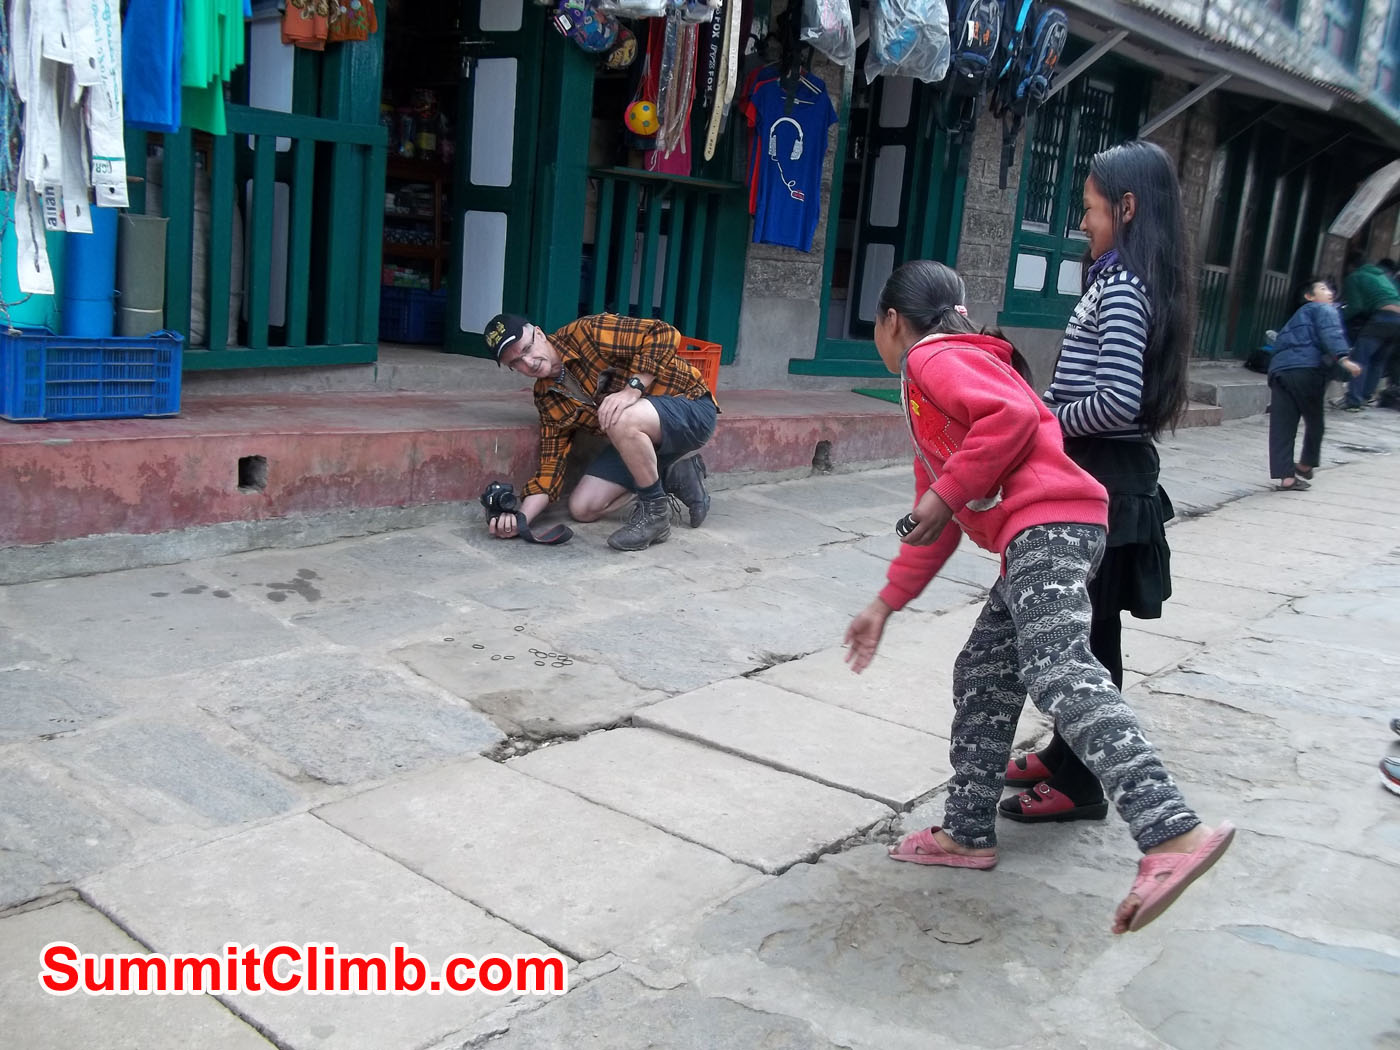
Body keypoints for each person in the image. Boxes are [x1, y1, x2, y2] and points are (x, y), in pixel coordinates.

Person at [843, 259, 1234, 935]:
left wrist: (943, 495)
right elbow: (936, 525)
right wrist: (886, 602)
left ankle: (1170, 831)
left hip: (1047, 526)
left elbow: (1014, 416)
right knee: (985, 671)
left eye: (876, 329)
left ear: (890, 322)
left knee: (1059, 669)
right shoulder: (951, 380)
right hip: (1047, 530)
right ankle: (966, 834)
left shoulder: (931, 360)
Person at [1001, 140, 1190, 823]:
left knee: (1089, 639)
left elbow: (1116, 402)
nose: (1083, 222)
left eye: (1090, 209)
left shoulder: (1125, 289)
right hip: (1102, 476)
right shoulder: (1119, 280)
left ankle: (1083, 785)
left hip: (1107, 483)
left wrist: (1045, 418)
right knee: (1087, 629)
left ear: (1128, 207)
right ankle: (1064, 753)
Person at [483, 312, 716, 552]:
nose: (528, 363)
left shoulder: (587, 332)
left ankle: (654, 513)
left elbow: (663, 333)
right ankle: (673, 475)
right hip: (637, 439)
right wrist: (520, 521)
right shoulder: (547, 397)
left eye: (527, 349)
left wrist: (631, 390)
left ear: (540, 334)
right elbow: (550, 469)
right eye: (516, 363)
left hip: (690, 408)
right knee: (583, 508)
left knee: (619, 414)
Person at [1266, 279, 1361, 491]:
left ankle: (1286, 478)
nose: (1330, 293)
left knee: (1282, 424)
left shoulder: (1295, 318)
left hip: (1279, 372)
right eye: (1323, 289)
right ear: (1310, 296)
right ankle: (1306, 463)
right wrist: (1344, 358)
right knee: (1315, 420)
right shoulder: (1324, 309)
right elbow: (1331, 333)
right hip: (1305, 371)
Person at [1337, 253, 1400, 411]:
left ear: (1351, 266)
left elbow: (1356, 306)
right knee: (1378, 360)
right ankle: (1366, 396)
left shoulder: (1355, 276)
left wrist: (1337, 318)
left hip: (1383, 318)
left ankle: (1354, 400)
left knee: (1360, 358)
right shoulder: (1383, 276)